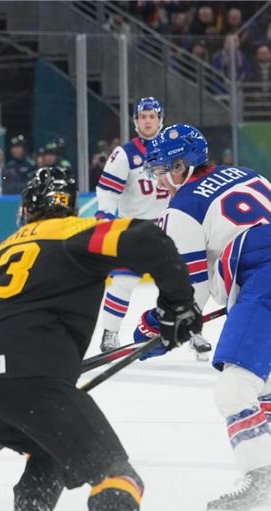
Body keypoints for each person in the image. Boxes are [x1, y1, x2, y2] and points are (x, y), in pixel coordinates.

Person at [0, 166, 201, 511]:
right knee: (115, 471)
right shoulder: (75, 231)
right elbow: (148, 240)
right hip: (28, 374)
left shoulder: (3, 249)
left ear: (26, 209)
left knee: (49, 446)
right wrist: (179, 305)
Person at [141, 124, 271, 511]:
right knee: (255, 379)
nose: (159, 180)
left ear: (181, 165)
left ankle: (261, 480)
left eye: (162, 171)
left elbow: (188, 298)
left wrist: (154, 328)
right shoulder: (245, 173)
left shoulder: (183, 207)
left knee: (233, 388)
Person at [93, 97, 210, 357]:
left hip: (172, 224)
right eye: (143, 116)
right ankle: (110, 334)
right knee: (123, 281)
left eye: (152, 116)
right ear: (135, 122)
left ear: (160, 120)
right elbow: (107, 190)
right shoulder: (124, 154)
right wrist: (105, 216)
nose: (148, 120)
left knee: (186, 281)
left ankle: (194, 331)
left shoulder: (176, 149)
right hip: (135, 229)